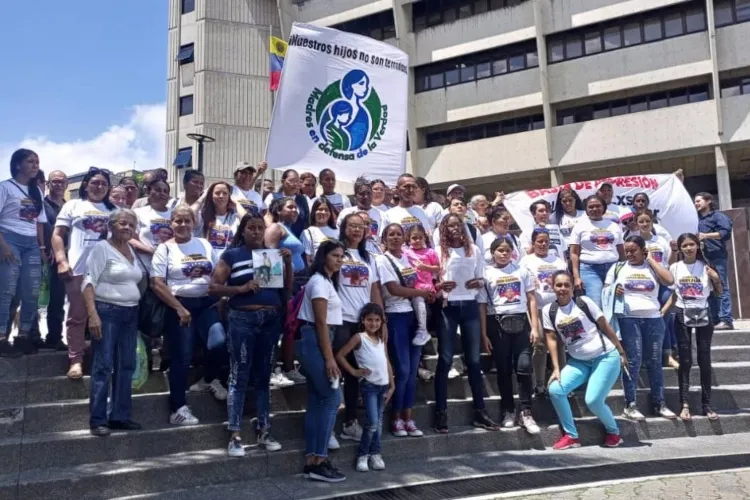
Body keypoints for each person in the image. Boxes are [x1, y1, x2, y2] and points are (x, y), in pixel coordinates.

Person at [209, 213, 293, 456]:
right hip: (242, 319)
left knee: (263, 376)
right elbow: (213, 287)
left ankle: (264, 430)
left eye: (260, 228)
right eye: (251, 228)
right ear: (243, 231)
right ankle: (235, 434)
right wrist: (240, 288)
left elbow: (286, 290)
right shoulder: (232, 255)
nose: (256, 232)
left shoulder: (272, 255)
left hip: (270, 319)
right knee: (239, 375)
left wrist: (287, 264)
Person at [150, 207, 228, 425]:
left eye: (187, 221)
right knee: (181, 356)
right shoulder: (164, 249)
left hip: (206, 304)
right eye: (178, 221)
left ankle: (209, 378)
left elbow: (215, 274)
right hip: (179, 305)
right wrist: (179, 308)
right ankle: (178, 408)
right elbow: (157, 283)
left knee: (219, 342)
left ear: (194, 223)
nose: (183, 225)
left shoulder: (204, 244)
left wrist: (219, 295)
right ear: (171, 224)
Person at [544, 271, 628, 450]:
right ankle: (572, 436)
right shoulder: (549, 311)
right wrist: (556, 368)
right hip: (579, 361)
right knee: (555, 390)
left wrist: (621, 352)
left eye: (567, 285)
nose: (563, 289)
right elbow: (551, 339)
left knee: (593, 401)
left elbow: (605, 326)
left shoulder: (584, 303)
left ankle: (614, 432)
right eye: (559, 285)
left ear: (572, 287)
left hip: (604, 356)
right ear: (553, 287)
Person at [432, 214, 498, 433]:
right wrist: (441, 285)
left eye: (457, 225)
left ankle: (480, 411)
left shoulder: (474, 250)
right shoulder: (439, 251)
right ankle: (441, 412)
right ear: (443, 229)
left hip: (469, 305)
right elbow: (432, 282)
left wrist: (479, 282)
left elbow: (482, 278)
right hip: (448, 307)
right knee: (445, 358)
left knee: (473, 360)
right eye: (449, 226)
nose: (454, 229)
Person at [83, 209, 144, 436]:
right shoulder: (102, 249)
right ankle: (98, 419)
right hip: (106, 312)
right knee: (103, 365)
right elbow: (88, 282)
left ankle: (120, 416)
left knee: (126, 365)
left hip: (130, 313)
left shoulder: (131, 250)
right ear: (111, 225)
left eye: (131, 224)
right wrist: (93, 314)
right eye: (122, 223)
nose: (127, 227)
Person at [606, 235, 676, 420]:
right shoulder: (618, 267)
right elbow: (605, 292)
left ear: (643, 250)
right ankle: (630, 404)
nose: (629, 254)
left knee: (654, 361)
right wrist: (614, 290)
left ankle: (659, 403)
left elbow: (669, 281)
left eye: (633, 250)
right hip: (629, 319)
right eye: (626, 251)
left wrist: (651, 260)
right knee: (633, 361)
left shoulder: (652, 267)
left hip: (653, 318)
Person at [53, 167, 115, 376]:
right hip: (78, 269)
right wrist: (62, 260)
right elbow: (58, 235)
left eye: (104, 184)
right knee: (77, 317)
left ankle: (103, 359)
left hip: (107, 272)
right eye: (95, 182)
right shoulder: (73, 205)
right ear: (86, 185)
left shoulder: (114, 210)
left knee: (105, 318)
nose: (99, 187)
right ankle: (76, 360)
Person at [297, 240, 347, 483]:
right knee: (332, 397)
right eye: (335, 255)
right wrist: (329, 359)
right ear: (323, 257)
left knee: (318, 400)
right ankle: (320, 458)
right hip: (315, 341)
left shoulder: (327, 281)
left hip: (320, 340)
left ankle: (313, 460)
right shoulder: (318, 281)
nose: (339, 259)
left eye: (341, 256)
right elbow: (320, 323)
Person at [479, 236, 540, 433]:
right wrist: (483, 334)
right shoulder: (486, 273)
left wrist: (536, 327)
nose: (504, 254)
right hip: (497, 323)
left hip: (521, 322)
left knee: (524, 367)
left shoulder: (522, 270)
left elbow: (531, 299)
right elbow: (481, 305)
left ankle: (526, 411)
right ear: (493, 252)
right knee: (504, 370)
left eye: (507, 250)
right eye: (500, 250)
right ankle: (508, 410)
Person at [376, 224, 432, 438]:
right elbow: (393, 289)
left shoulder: (407, 257)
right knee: (403, 371)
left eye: (399, 234)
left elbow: (417, 280)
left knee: (411, 374)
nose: (396, 237)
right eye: (391, 234)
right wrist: (420, 292)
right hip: (395, 315)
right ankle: (396, 417)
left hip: (412, 315)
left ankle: (409, 417)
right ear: (385, 239)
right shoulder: (382, 260)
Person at [332, 212, 384, 444]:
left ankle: (350, 422)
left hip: (363, 323)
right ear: (343, 228)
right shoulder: (336, 252)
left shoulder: (369, 257)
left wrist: (382, 320)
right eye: (352, 226)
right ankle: (328, 424)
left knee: (355, 375)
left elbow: (374, 291)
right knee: (335, 374)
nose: (356, 230)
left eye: (360, 227)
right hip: (341, 319)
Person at [666, 233, 722, 421]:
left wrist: (715, 278)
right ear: (680, 248)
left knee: (704, 359)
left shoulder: (706, 267)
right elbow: (672, 291)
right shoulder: (675, 267)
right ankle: (685, 404)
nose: (689, 248)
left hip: (704, 313)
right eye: (685, 246)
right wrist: (664, 310)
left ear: (698, 246)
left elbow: (719, 293)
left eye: (692, 245)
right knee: (686, 359)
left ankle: (707, 405)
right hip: (682, 313)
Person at [336, 303, 394, 472]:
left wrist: (392, 384)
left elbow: (386, 361)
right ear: (363, 320)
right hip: (369, 386)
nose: (373, 324)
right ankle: (363, 455)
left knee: (379, 423)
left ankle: (376, 453)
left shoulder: (381, 339)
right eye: (370, 320)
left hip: (383, 386)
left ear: (382, 321)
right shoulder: (359, 337)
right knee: (372, 423)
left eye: (377, 320)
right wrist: (353, 371)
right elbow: (340, 355)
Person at [0, 149, 47, 357]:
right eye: (30, 161)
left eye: (37, 162)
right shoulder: (5, 188)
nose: (35, 165)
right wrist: (3, 245)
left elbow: (39, 223)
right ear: (18, 164)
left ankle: (23, 336)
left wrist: (42, 248)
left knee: (32, 292)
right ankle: (1, 337)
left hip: (32, 245)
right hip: (9, 239)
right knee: (7, 291)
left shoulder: (36, 191)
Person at [520, 229, 568, 398]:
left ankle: (563, 382)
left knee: (560, 345)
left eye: (546, 241)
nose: (543, 244)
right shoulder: (526, 261)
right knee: (539, 344)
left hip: (557, 309)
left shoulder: (558, 261)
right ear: (533, 243)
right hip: (537, 308)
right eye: (539, 241)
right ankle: (539, 383)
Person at [265, 197, 307, 385]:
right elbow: (268, 257)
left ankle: (288, 368)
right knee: (277, 328)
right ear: (278, 210)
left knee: (290, 327)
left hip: (297, 281)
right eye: (290, 207)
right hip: (282, 284)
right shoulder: (275, 228)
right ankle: (273, 370)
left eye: (296, 208)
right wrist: (278, 288)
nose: (294, 210)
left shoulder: (290, 230)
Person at [633, 209, 678, 369]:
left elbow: (670, 262)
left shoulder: (661, 240)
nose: (644, 224)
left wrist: (674, 251)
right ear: (636, 224)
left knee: (662, 318)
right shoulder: (633, 241)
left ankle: (666, 354)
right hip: (643, 284)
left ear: (652, 222)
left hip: (662, 283)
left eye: (647, 221)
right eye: (641, 221)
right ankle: (650, 355)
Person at [569, 195, 624, 309]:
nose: (595, 209)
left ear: (604, 208)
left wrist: (624, 272)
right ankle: (599, 327)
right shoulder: (579, 226)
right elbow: (574, 253)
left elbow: (621, 251)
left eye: (598, 206)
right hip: (590, 270)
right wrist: (576, 277)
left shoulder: (614, 226)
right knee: (596, 305)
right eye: (591, 207)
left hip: (614, 269)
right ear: (586, 210)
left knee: (615, 304)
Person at [695, 192, 734, 330]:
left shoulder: (718, 216)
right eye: (695, 201)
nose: (696, 203)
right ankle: (715, 319)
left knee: (721, 286)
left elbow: (725, 233)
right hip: (702, 258)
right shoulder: (696, 219)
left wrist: (706, 235)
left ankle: (726, 320)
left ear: (708, 201)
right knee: (709, 288)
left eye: (699, 201)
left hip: (717, 256)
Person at [41, 170, 68, 351]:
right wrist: (45, 248)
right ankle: (43, 336)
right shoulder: (41, 205)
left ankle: (57, 336)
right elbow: (41, 228)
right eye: (55, 181)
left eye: (61, 182)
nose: (58, 184)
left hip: (69, 257)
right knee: (44, 299)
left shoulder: (70, 206)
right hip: (47, 257)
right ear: (48, 184)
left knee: (62, 300)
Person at [403, 225, 439, 345]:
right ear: (408, 239)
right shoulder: (406, 252)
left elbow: (438, 268)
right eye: (414, 238)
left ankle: (423, 329)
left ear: (425, 238)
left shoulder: (430, 252)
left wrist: (425, 267)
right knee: (417, 301)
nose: (417, 240)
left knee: (419, 301)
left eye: (420, 238)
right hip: (413, 287)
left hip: (427, 287)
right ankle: (421, 329)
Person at [132, 178, 175, 272]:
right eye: (158, 190)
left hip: (169, 267)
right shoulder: (138, 213)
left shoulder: (175, 214)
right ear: (148, 192)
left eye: (165, 191)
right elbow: (131, 239)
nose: (162, 193)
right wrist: (152, 251)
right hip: (144, 267)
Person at [195, 181, 241, 261]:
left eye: (225, 193)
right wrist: (203, 197)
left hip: (228, 265)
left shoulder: (234, 217)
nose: (221, 196)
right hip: (207, 263)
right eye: (217, 193)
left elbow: (248, 219)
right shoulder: (202, 216)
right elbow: (187, 215)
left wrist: (237, 203)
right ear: (211, 196)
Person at [380, 174, 433, 239]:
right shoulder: (388, 215)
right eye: (407, 186)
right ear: (397, 189)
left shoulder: (421, 211)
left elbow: (428, 236)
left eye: (413, 187)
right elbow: (383, 240)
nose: (411, 190)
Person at [337, 177, 383, 250]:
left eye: (368, 193)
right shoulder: (345, 213)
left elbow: (382, 240)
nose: (366, 197)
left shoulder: (381, 215)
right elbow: (339, 235)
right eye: (362, 194)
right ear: (355, 196)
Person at [264, 169, 310, 238]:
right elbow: (266, 216)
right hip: (278, 240)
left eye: (297, 181)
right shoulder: (272, 197)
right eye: (291, 181)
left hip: (299, 240)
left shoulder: (302, 199)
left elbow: (306, 221)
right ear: (283, 181)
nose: (294, 184)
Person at [302, 198, 340, 266]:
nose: (323, 212)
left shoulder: (337, 231)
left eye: (326, 210)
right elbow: (307, 260)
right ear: (314, 212)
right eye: (320, 209)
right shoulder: (308, 232)